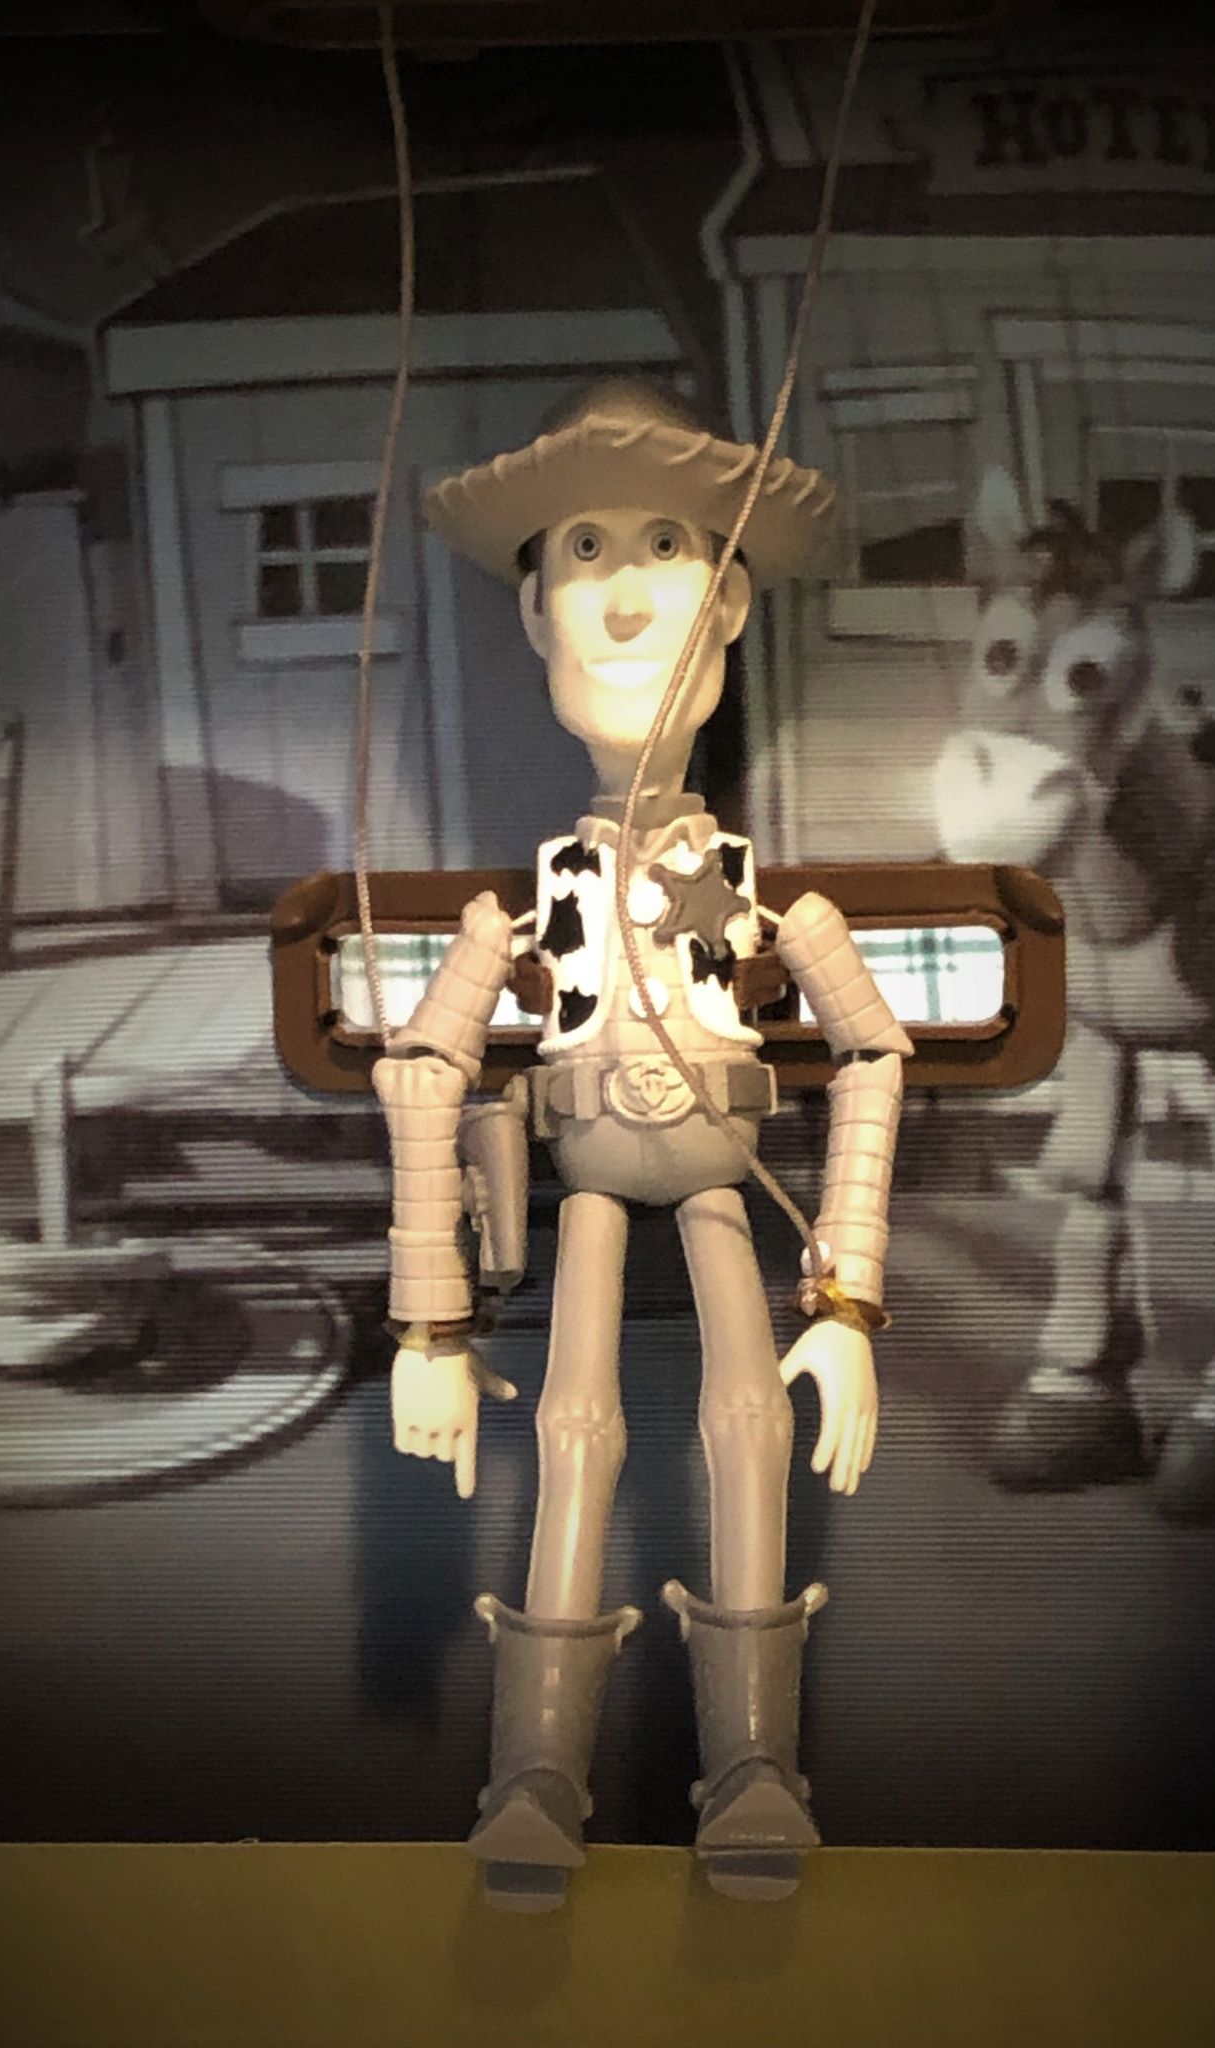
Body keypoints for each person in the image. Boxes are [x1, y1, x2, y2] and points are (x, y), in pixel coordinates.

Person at [372, 375, 911, 1908]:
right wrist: (430, 1321)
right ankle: (535, 1776)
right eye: (585, 552)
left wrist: (848, 1298)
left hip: (723, 1180)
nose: (621, 599)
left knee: (749, 1417)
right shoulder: (526, 906)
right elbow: (425, 1070)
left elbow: (873, 1050)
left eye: (666, 547)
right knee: (574, 1427)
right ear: (534, 611)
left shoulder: (761, 899)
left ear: (728, 600)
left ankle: (755, 1770)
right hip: (591, 1182)